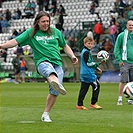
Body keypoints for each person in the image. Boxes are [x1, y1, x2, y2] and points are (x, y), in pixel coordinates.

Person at [0, 11, 78, 122]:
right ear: (37, 22)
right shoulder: (31, 33)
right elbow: (15, 41)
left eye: (48, 21)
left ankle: (46, 114)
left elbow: (65, 45)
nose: (46, 23)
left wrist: (72, 56)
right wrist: (2, 46)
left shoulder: (56, 32)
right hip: (42, 62)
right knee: (50, 73)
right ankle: (54, 81)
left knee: (55, 92)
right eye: (43, 21)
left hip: (57, 63)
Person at [76, 36, 105, 110]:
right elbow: (89, 64)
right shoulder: (87, 52)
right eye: (88, 43)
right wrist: (99, 63)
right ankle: (93, 103)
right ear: (85, 43)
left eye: (91, 44)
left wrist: (96, 68)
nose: (90, 45)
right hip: (89, 74)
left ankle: (79, 105)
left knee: (84, 89)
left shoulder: (83, 51)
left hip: (83, 73)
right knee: (97, 86)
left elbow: (88, 63)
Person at [114, 20, 133, 105]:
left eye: (132, 25)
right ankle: (120, 98)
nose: (131, 26)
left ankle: (130, 99)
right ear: (126, 26)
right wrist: (119, 60)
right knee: (123, 80)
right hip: (125, 61)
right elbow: (117, 48)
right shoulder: (122, 36)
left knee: (132, 82)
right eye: (130, 25)